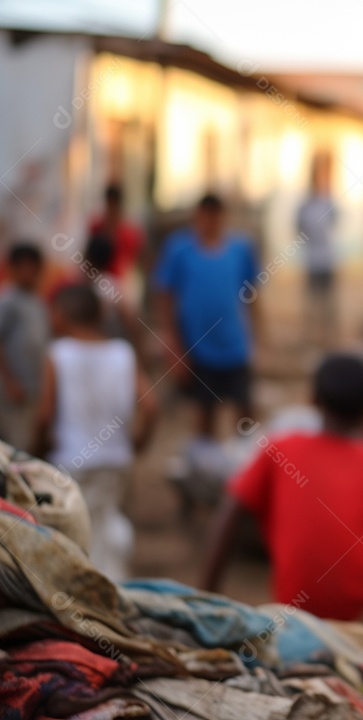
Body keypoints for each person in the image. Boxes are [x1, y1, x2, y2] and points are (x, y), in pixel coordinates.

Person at [201, 354, 363, 629]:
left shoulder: (280, 449)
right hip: (357, 603)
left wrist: (204, 598)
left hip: (292, 602)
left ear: (313, 400)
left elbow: (229, 516)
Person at [35, 285, 156, 581]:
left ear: (60, 316)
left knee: (77, 537)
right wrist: (137, 443)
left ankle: (90, 599)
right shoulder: (122, 352)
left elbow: (44, 415)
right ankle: (115, 588)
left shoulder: (58, 353)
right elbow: (151, 406)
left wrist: (39, 446)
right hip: (116, 460)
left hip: (71, 461)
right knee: (107, 527)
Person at [153, 193, 259, 438]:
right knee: (204, 409)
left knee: (244, 406)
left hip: (234, 343)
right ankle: (206, 459)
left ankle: (244, 456)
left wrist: (257, 338)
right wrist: (173, 343)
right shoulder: (180, 250)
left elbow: (252, 297)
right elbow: (166, 296)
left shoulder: (240, 249)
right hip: (198, 346)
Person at [0, 243, 49, 451]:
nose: (27, 273)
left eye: (32, 267)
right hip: (14, 392)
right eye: (22, 267)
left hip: (34, 389)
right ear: (12, 268)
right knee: (17, 446)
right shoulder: (8, 301)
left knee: (31, 443)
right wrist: (9, 381)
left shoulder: (38, 301)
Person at [296, 154, 338, 346]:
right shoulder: (306, 206)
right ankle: (312, 339)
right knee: (313, 303)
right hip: (313, 260)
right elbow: (298, 228)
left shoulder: (327, 203)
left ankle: (328, 339)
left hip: (327, 259)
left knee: (328, 303)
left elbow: (335, 222)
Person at [89, 183, 144, 285]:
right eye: (109, 204)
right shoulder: (96, 226)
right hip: (99, 279)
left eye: (114, 205)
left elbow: (133, 261)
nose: (111, 209)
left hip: (121, 281)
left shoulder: (129, 233)